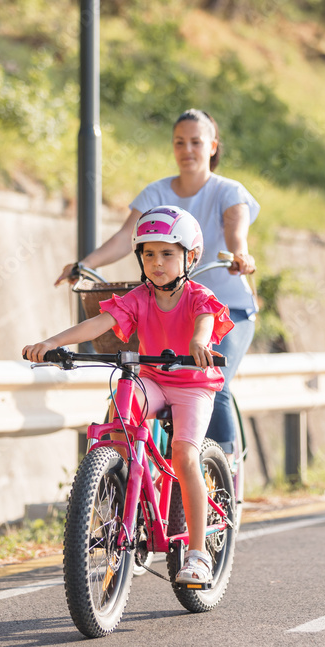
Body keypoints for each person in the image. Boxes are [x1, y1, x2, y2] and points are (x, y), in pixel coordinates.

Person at [27, 206, 233, 585]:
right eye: (148, 254)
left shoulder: (198, 296)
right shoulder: (139, 297)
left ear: (191, 256)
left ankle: (199, 553)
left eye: (168, 253)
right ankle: (121, 487)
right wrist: (54, 342)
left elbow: (205, 321)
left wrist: (199, 342)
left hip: (193, 384)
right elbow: (99, 323)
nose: (157, 262)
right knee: (118, 409)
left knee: (185, 454)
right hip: (153, 379)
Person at [55, 109, 258, 464]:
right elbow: (124, 238)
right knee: (134, 385)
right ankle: (125, 477)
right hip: (166, 307)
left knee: (216, 381)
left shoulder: (229, 191)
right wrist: (86, 264)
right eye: (180, 142)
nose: (187, 149)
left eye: (196, 142)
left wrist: (240, 254)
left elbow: (235, 232)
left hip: (226, 308)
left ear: (213, 146)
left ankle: (224, 470)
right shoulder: (158, 192)